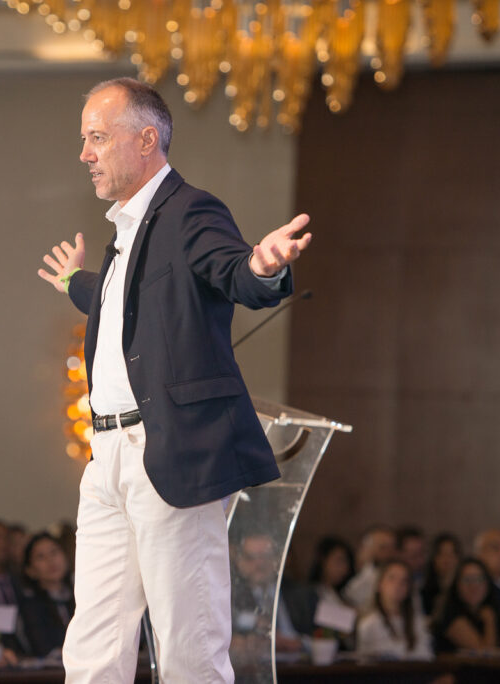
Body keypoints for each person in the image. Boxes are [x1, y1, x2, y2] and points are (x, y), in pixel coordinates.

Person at [36, 77, 309, 684]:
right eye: (84, 139)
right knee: (93, 645)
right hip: (105, 456)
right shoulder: (126, 231)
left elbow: (231, 270)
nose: (84, 153)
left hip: (170, 451)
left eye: (97, 137)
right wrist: (74, 283)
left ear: (146, 140)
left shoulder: (191, 210)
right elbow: (126, 303)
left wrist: (262, 269)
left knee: (188, 645)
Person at [356, 560, 433, 660]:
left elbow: (427, 655)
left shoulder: (417, 622)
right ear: (379, 584)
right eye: (392, 578)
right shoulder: (369, 624)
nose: (398, 585)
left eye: (404, 581)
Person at [431, 558, 500, 654]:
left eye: (479, 579)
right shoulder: (450, 615)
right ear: (456, 584)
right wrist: (490, 621)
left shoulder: (493, 608)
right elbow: (486, 656)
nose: (474, 586)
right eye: (467, 580)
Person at [17, 533, 75, 657]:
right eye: (41, 557)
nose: (51, 561)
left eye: (54, 552)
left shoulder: (80, 597)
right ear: (30, 570)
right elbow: (42, 648)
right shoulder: (30, 606)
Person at [344, 525, 397, 610]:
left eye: (393, 547)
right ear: (367, 549)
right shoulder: (345, 574)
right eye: (383, 547)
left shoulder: (397, 573)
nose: (389, 553)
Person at [419, 533, 461, 617]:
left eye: (451, 554)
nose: (447, 559)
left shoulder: (465, 590)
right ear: (434, 558)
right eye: (442, 554)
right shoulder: (424, 593)